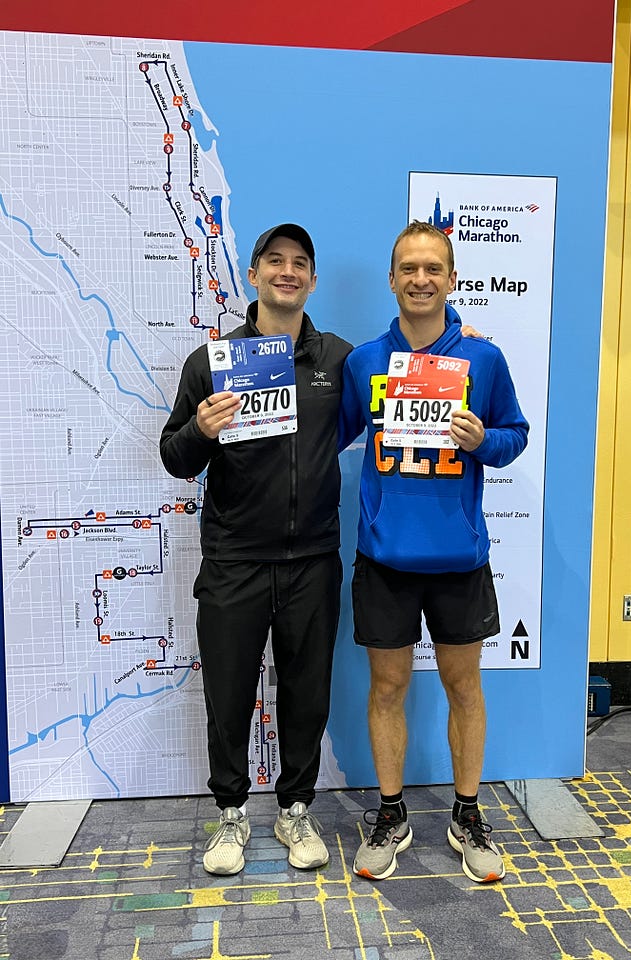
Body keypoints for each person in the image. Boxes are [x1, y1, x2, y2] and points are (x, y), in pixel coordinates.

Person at [338, 221, 529, 883]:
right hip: (384, 559)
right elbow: (324, 436)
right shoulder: (364, 363)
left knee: (463, 688)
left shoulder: (484, 359)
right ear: (392, 280)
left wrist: (484, 441)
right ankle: (391, 815)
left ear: (451, 279)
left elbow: (515, 436)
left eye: (433, 268)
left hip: (459, 560)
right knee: (386, 689)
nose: (420, 278)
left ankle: (467, 813)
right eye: (408, 268)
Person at [160, 224, 352, 875]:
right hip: (235, 563)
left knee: (306, 694)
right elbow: (174, 455)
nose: (288, 272)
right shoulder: (212, 363)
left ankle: (296, 810)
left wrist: (457, 349)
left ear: (313, 280)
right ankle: (231, 815)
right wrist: (200, 429)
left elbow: (394, 403)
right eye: (276, 261)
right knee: (230, 694)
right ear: (254, 273)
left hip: (312, 563)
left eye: (301, 262)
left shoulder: (339, 361)